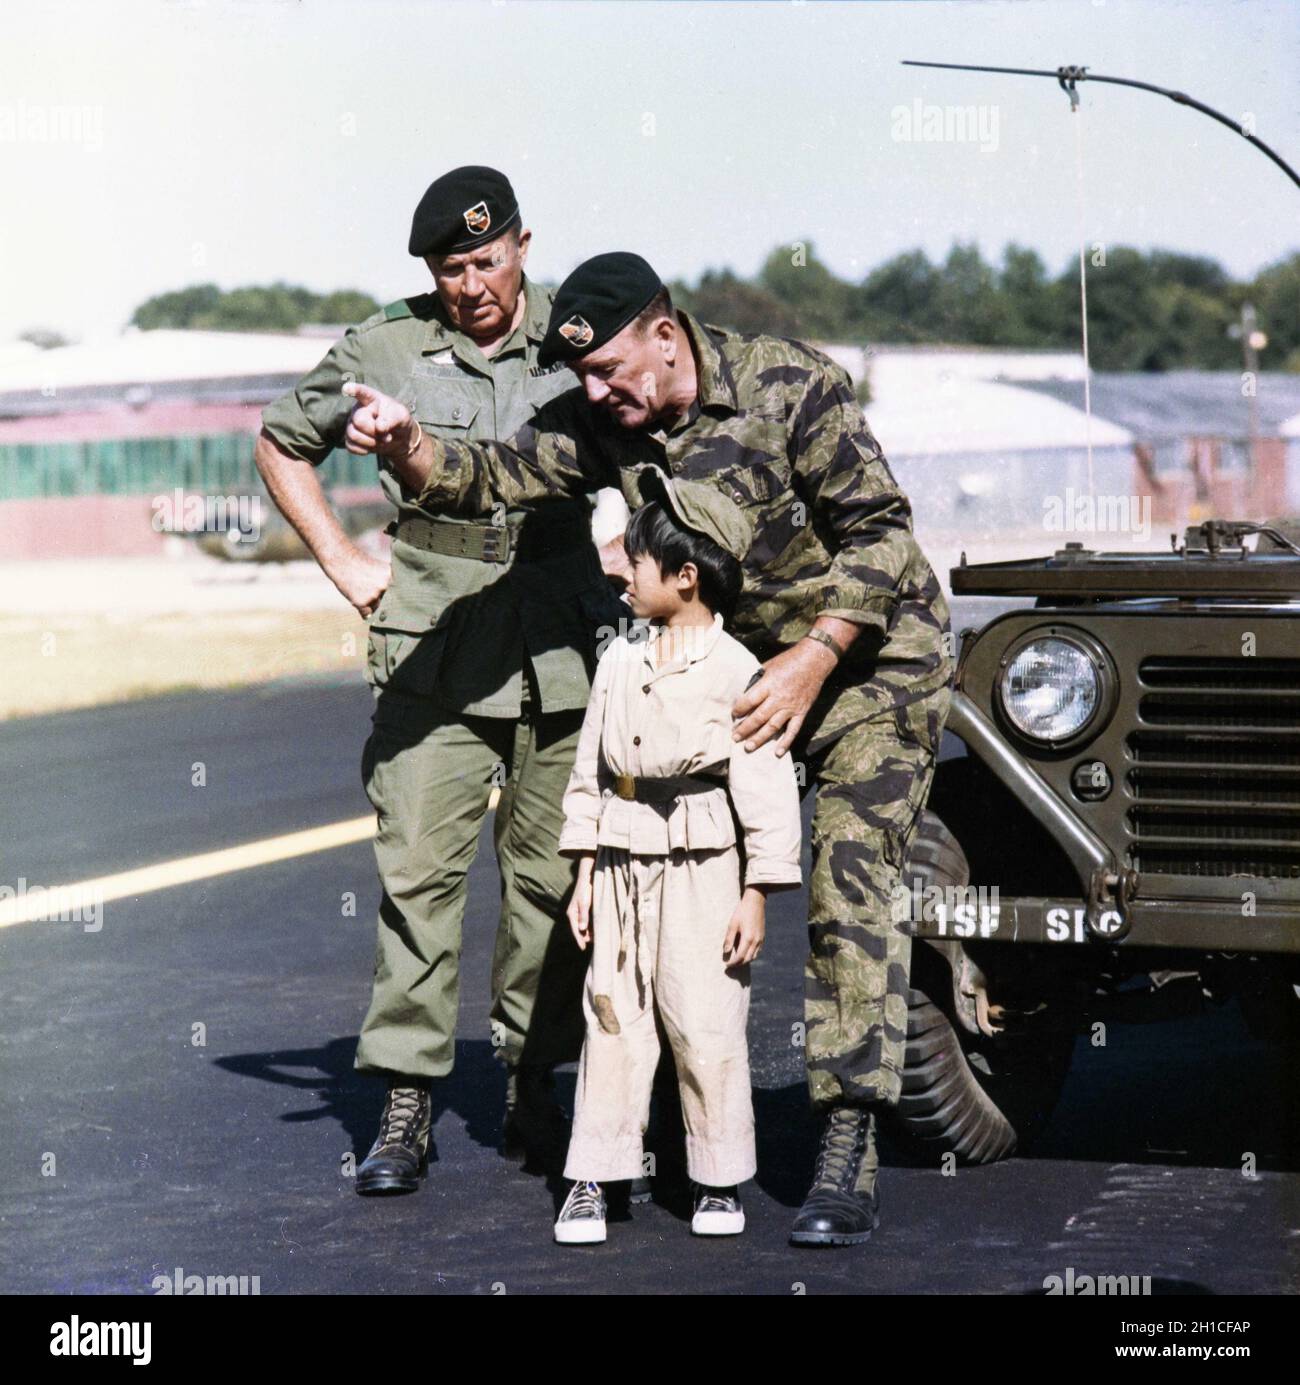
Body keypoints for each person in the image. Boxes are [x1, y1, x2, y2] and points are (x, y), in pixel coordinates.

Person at [342, 250, 954, 1244]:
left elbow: (883, 533)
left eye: (609, 370)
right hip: (731, 671)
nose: (595, 394)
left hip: (864, 661)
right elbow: (488, 477)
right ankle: (673, 1109)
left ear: (665, 337)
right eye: (582, 377)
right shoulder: (606, 417)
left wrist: (814, 657)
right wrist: (408, 442)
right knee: (669, 871)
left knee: (846, 880)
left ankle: (848, 1142)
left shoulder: (787, 384)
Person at [256, 168, 619, 1195]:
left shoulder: (577, 332)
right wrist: (343, 561)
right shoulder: (385, 347)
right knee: (418, 879)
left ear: (522, 245)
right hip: (434, 649)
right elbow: (281, 441)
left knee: (553, 884)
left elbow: (650, 427)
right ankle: (407, 1096)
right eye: (450, 269)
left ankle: (533, 1080)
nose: (471, 285)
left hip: (559, 648)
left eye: (487, 260)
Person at [551, 471, 802, 1245]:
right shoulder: (620, 661)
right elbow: (591, 771)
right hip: (620, 862)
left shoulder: (738, 670)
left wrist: (757, 891)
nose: (622, 574)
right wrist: (585, 871)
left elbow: (764, 786)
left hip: (704, 868)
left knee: (705, 1020)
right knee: (611, 1016)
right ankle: (593, 1176)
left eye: (636, 561)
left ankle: (718, 1178)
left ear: (685, 576)